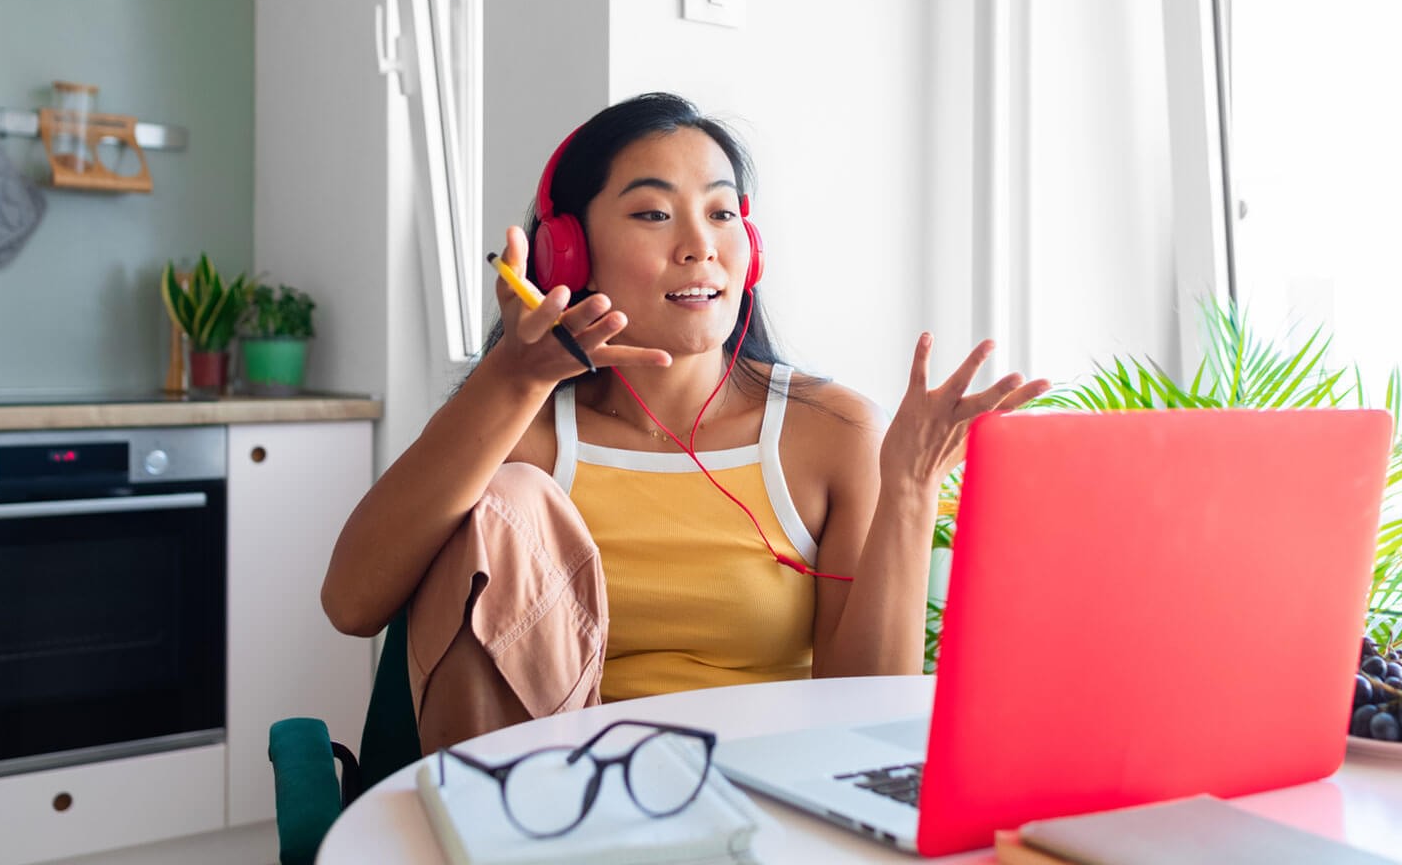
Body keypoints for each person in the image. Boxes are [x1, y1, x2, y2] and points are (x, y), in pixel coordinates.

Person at [322, 92, 1048, 753]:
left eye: (722, 213)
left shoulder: (830, 432)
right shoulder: (527, 431)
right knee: (510, 495)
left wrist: (911, 487)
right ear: (568, 251)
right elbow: (351, 603)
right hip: (562, 799)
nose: (700, 244)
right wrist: (513, 378)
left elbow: (862, 714)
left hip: (768, 802)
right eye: (653, 213)